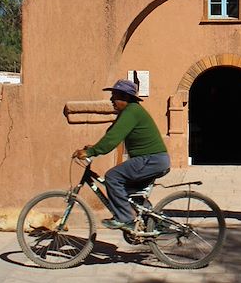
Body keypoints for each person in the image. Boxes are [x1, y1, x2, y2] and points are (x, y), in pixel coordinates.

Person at [73, 79, 170, 230]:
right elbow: (111, 134)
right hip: (152, 160)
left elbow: (113, 139)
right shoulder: (129, 112)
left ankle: (125, 218)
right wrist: (94, 147)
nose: (111, 100)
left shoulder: (132, 111)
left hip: (150, 159)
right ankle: (153, 220)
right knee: (130, 193)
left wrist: (91, 152)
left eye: (115, 96)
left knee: (113, 177)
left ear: (125, 98)